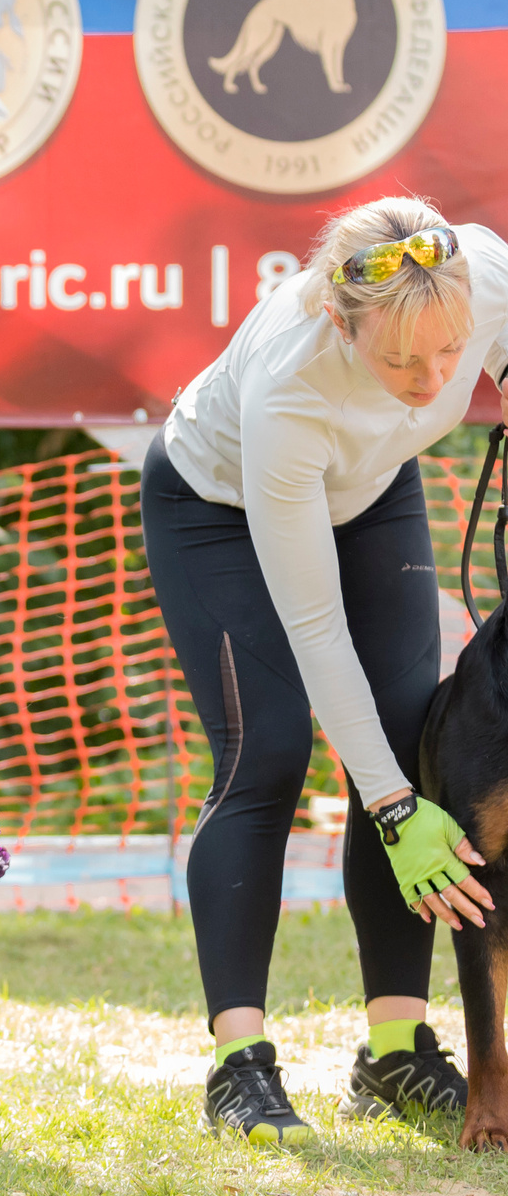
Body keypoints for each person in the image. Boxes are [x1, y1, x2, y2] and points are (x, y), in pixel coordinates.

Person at [143, 197, 507, 1144]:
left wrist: (396, 779)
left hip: (373, 484)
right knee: (264, 751)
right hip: (215, 505)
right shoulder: (290, 387)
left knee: (401, 734)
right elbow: (315, 628)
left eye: (450, 354)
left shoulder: (486, 273)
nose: (433, 381)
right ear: (344, 325)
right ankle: (240, 1064)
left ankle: (395, 1050)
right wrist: (391, 810)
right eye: (401, 362)